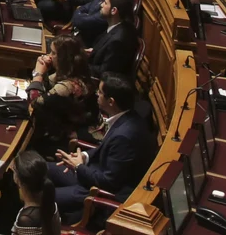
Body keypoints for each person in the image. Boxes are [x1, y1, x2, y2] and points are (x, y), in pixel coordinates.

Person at [48, 74, 153, 218]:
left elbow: (109, 182)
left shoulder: (124, 136)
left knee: (44, 198)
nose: (97, 94)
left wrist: (79, 167)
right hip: (93, 172)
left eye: (101, 92)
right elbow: (106, 148)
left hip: (99, 191)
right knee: (43, 168)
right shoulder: (128, 117)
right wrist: (84, 157)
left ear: (111, 101)